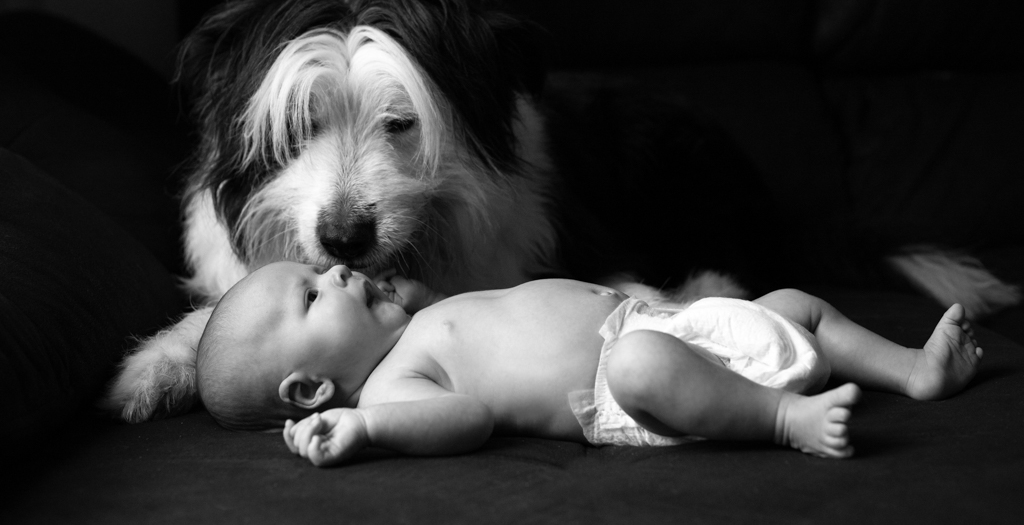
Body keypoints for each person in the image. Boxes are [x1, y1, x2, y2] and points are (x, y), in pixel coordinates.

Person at [195, 262, 982, 466]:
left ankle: (913, 369)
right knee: (643, 362)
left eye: (314, 268)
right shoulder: (396, 383)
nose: (333, 271)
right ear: (310, 389)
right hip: (629, 386)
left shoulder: (412, 323)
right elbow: (468, 419)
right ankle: (785, 419)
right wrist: (366, 424)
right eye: (309, 294)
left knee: (790, 305)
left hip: (663, 321)